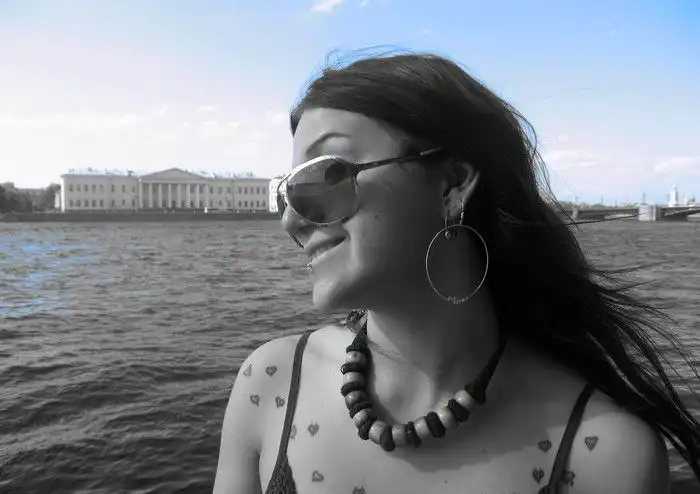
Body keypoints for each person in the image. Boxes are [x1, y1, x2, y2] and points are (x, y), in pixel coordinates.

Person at [213, 52, 700, 494]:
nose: (292, 220)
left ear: (453, 183)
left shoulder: (606, 455)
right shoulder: (271, 382)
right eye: (287, 191)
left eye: (326, 175)